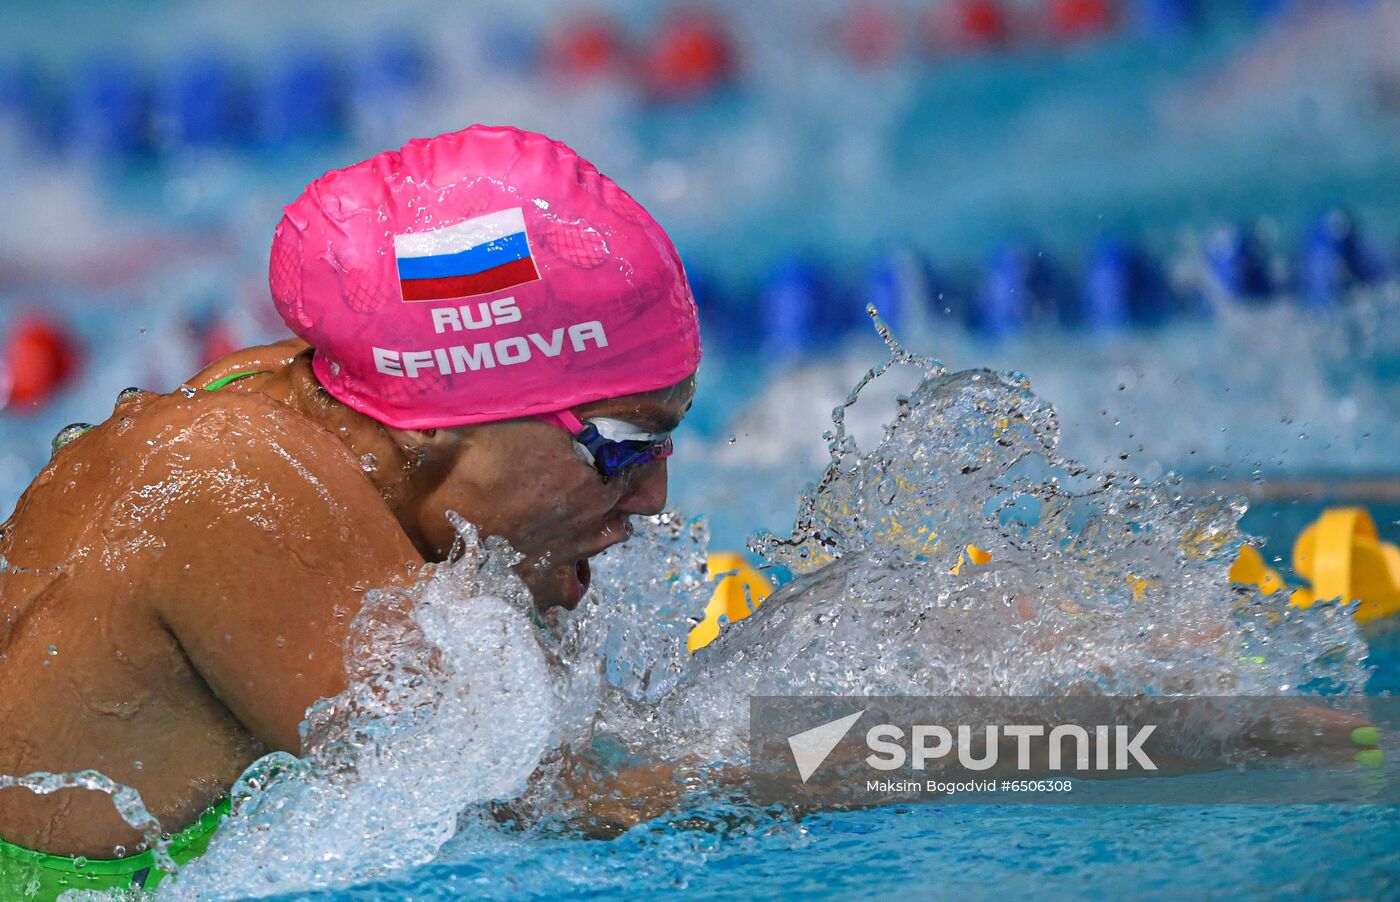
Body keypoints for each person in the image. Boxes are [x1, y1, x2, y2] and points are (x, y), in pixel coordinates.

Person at [0, 125, 701, 892]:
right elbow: (575, 791)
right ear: (441, 420)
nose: (652, 495)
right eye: (623, 445)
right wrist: (848, 744)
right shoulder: (233, 481)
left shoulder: (312, 401)